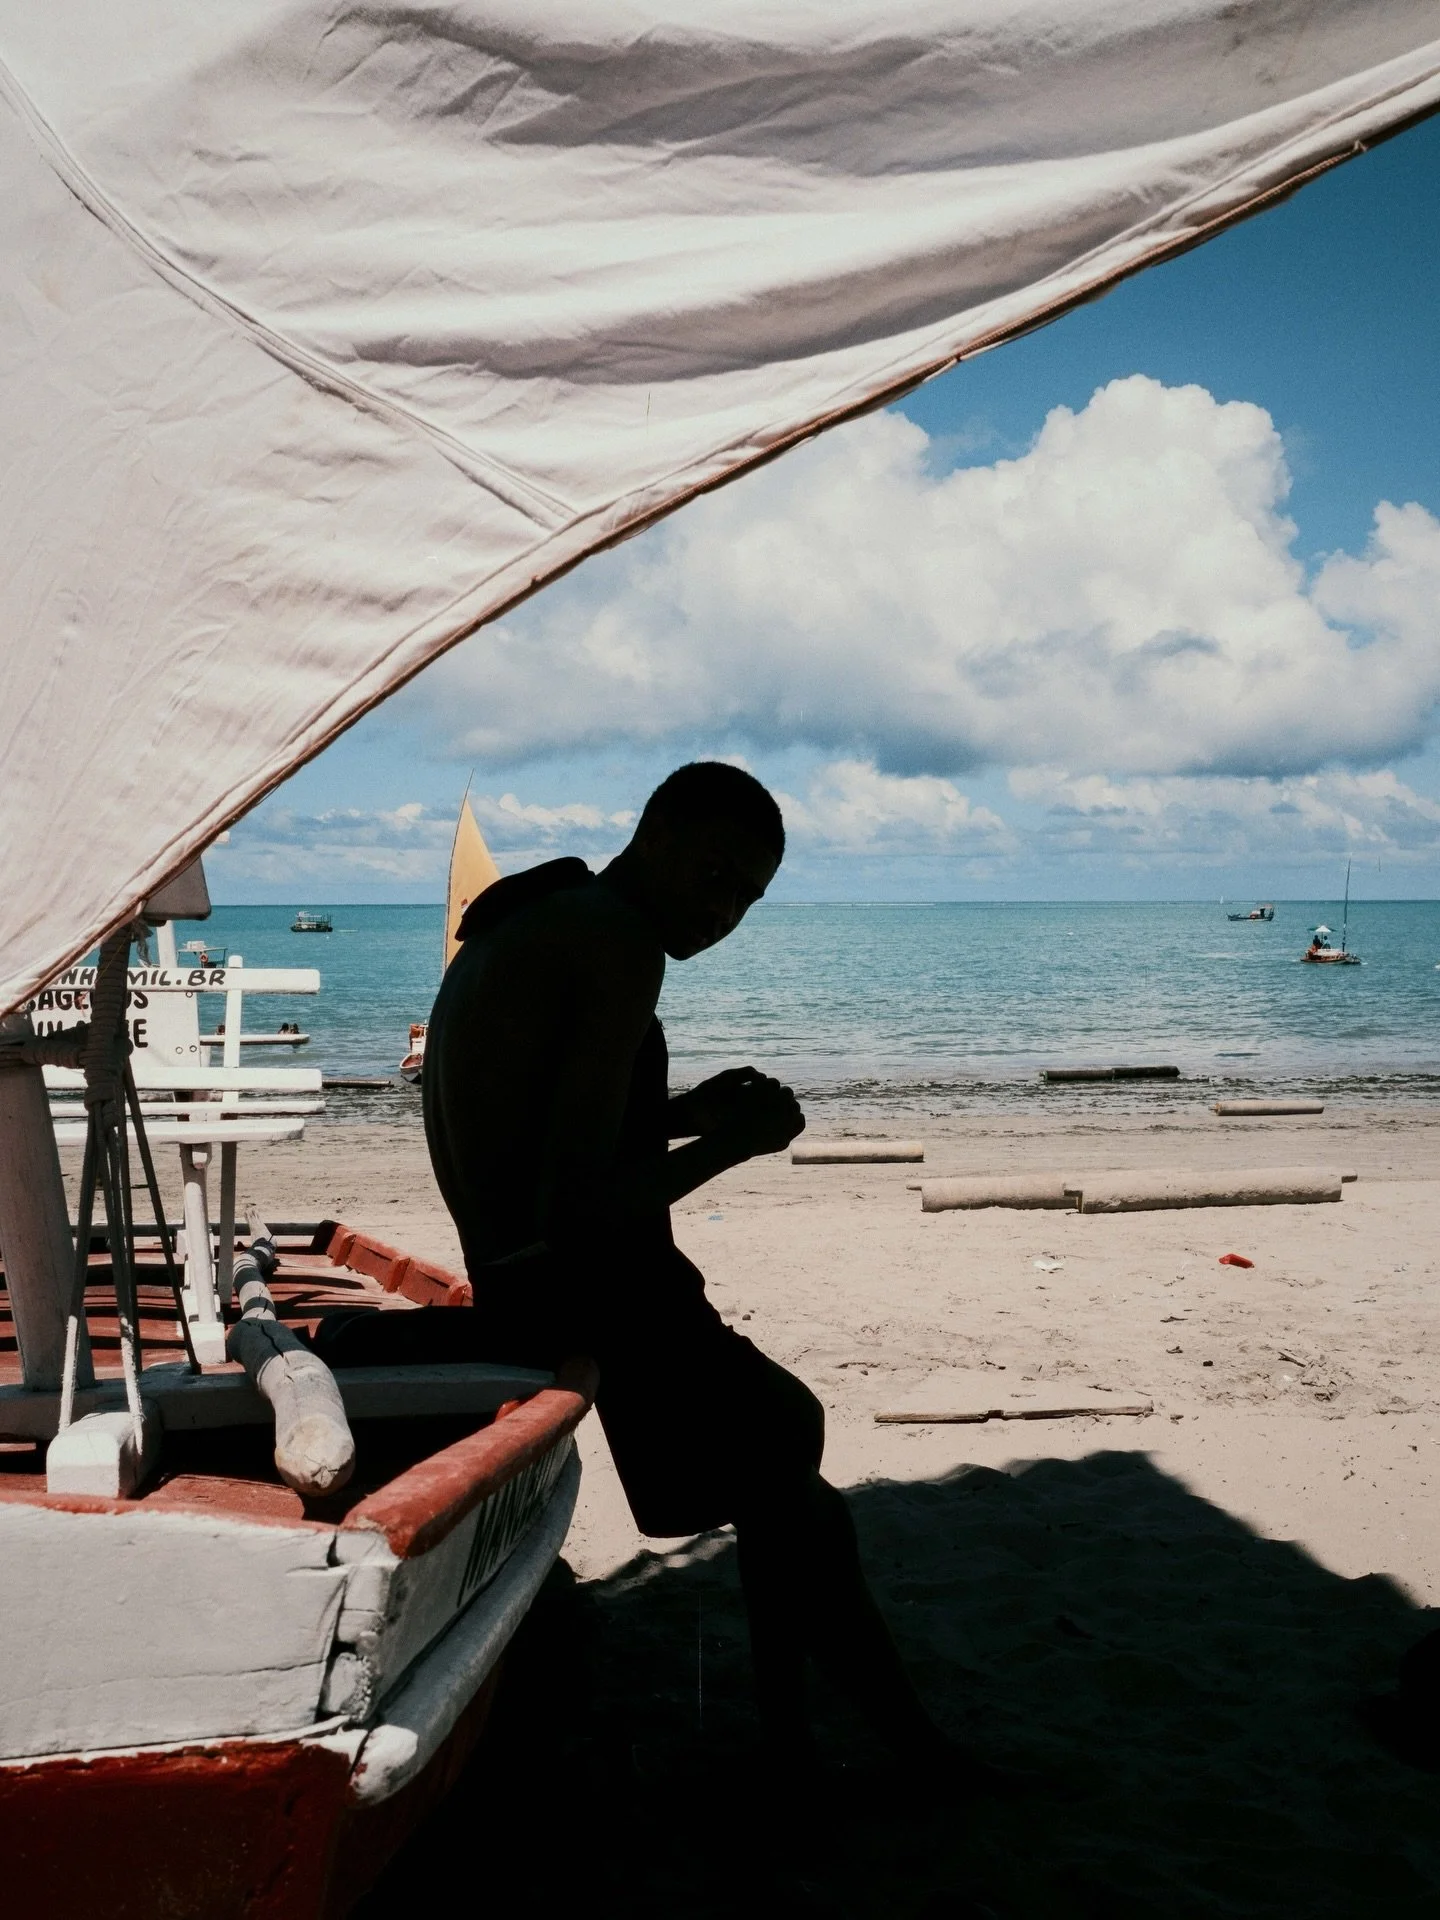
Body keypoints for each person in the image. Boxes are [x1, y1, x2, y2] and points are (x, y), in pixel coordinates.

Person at [319, 762, 974, 1777]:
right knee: (790, 1462)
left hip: (528, 1275)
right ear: (658, 837)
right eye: (716, 877)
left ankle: (804, 1744)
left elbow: (543, 1129)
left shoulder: (537, 918)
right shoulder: (616, 941)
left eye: (748, 898)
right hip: (583, 1288)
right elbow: (575, 1205)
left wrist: (684, 1113)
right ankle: (900, 1750)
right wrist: (733, 1147)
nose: (725, 915)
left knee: (785, 1461)